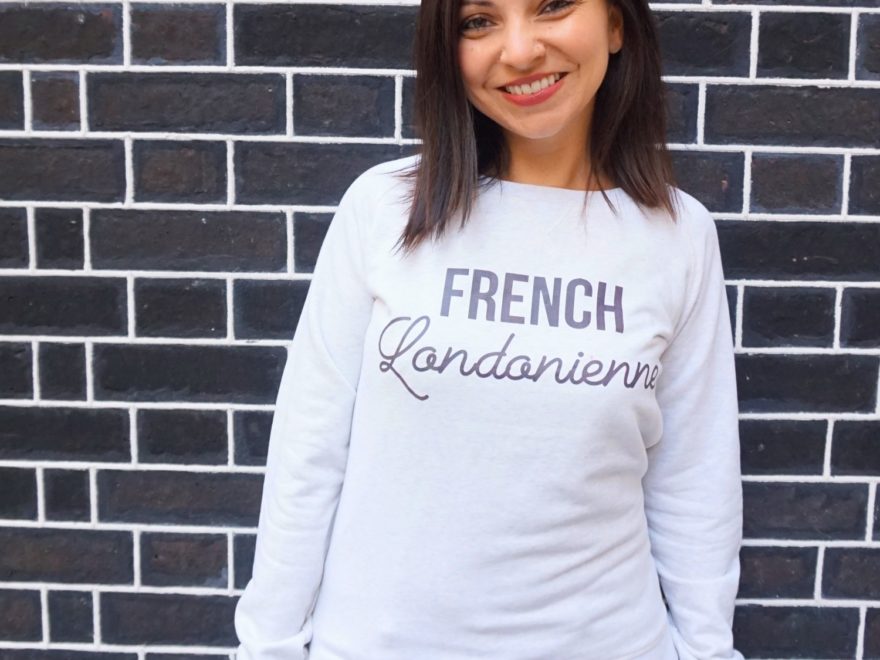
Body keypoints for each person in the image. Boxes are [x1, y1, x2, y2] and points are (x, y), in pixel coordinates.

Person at [234, 0, 744, 658]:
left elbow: (695, 480)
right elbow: (308, 454)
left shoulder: (677, 234)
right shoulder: (385, 209)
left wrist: (706, 650)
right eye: (478, 21)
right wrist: (268, 646)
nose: (521, 50)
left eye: (552, 6)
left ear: (617, 24)